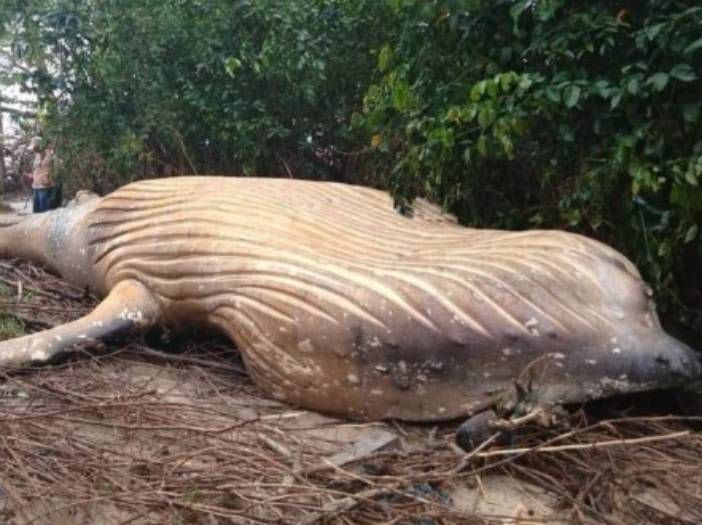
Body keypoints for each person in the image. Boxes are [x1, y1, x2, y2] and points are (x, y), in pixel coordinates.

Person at [29, 139, 62, 213]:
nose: (34, 150)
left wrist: (50, 179)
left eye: (35, 148)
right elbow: (37, 168)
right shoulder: (36, 156)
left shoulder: (51, 154)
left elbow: (58, 169)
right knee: (36, 210)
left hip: (46, 186)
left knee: (44, 211)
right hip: (36, 186)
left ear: (40, 146)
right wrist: (32, 175)